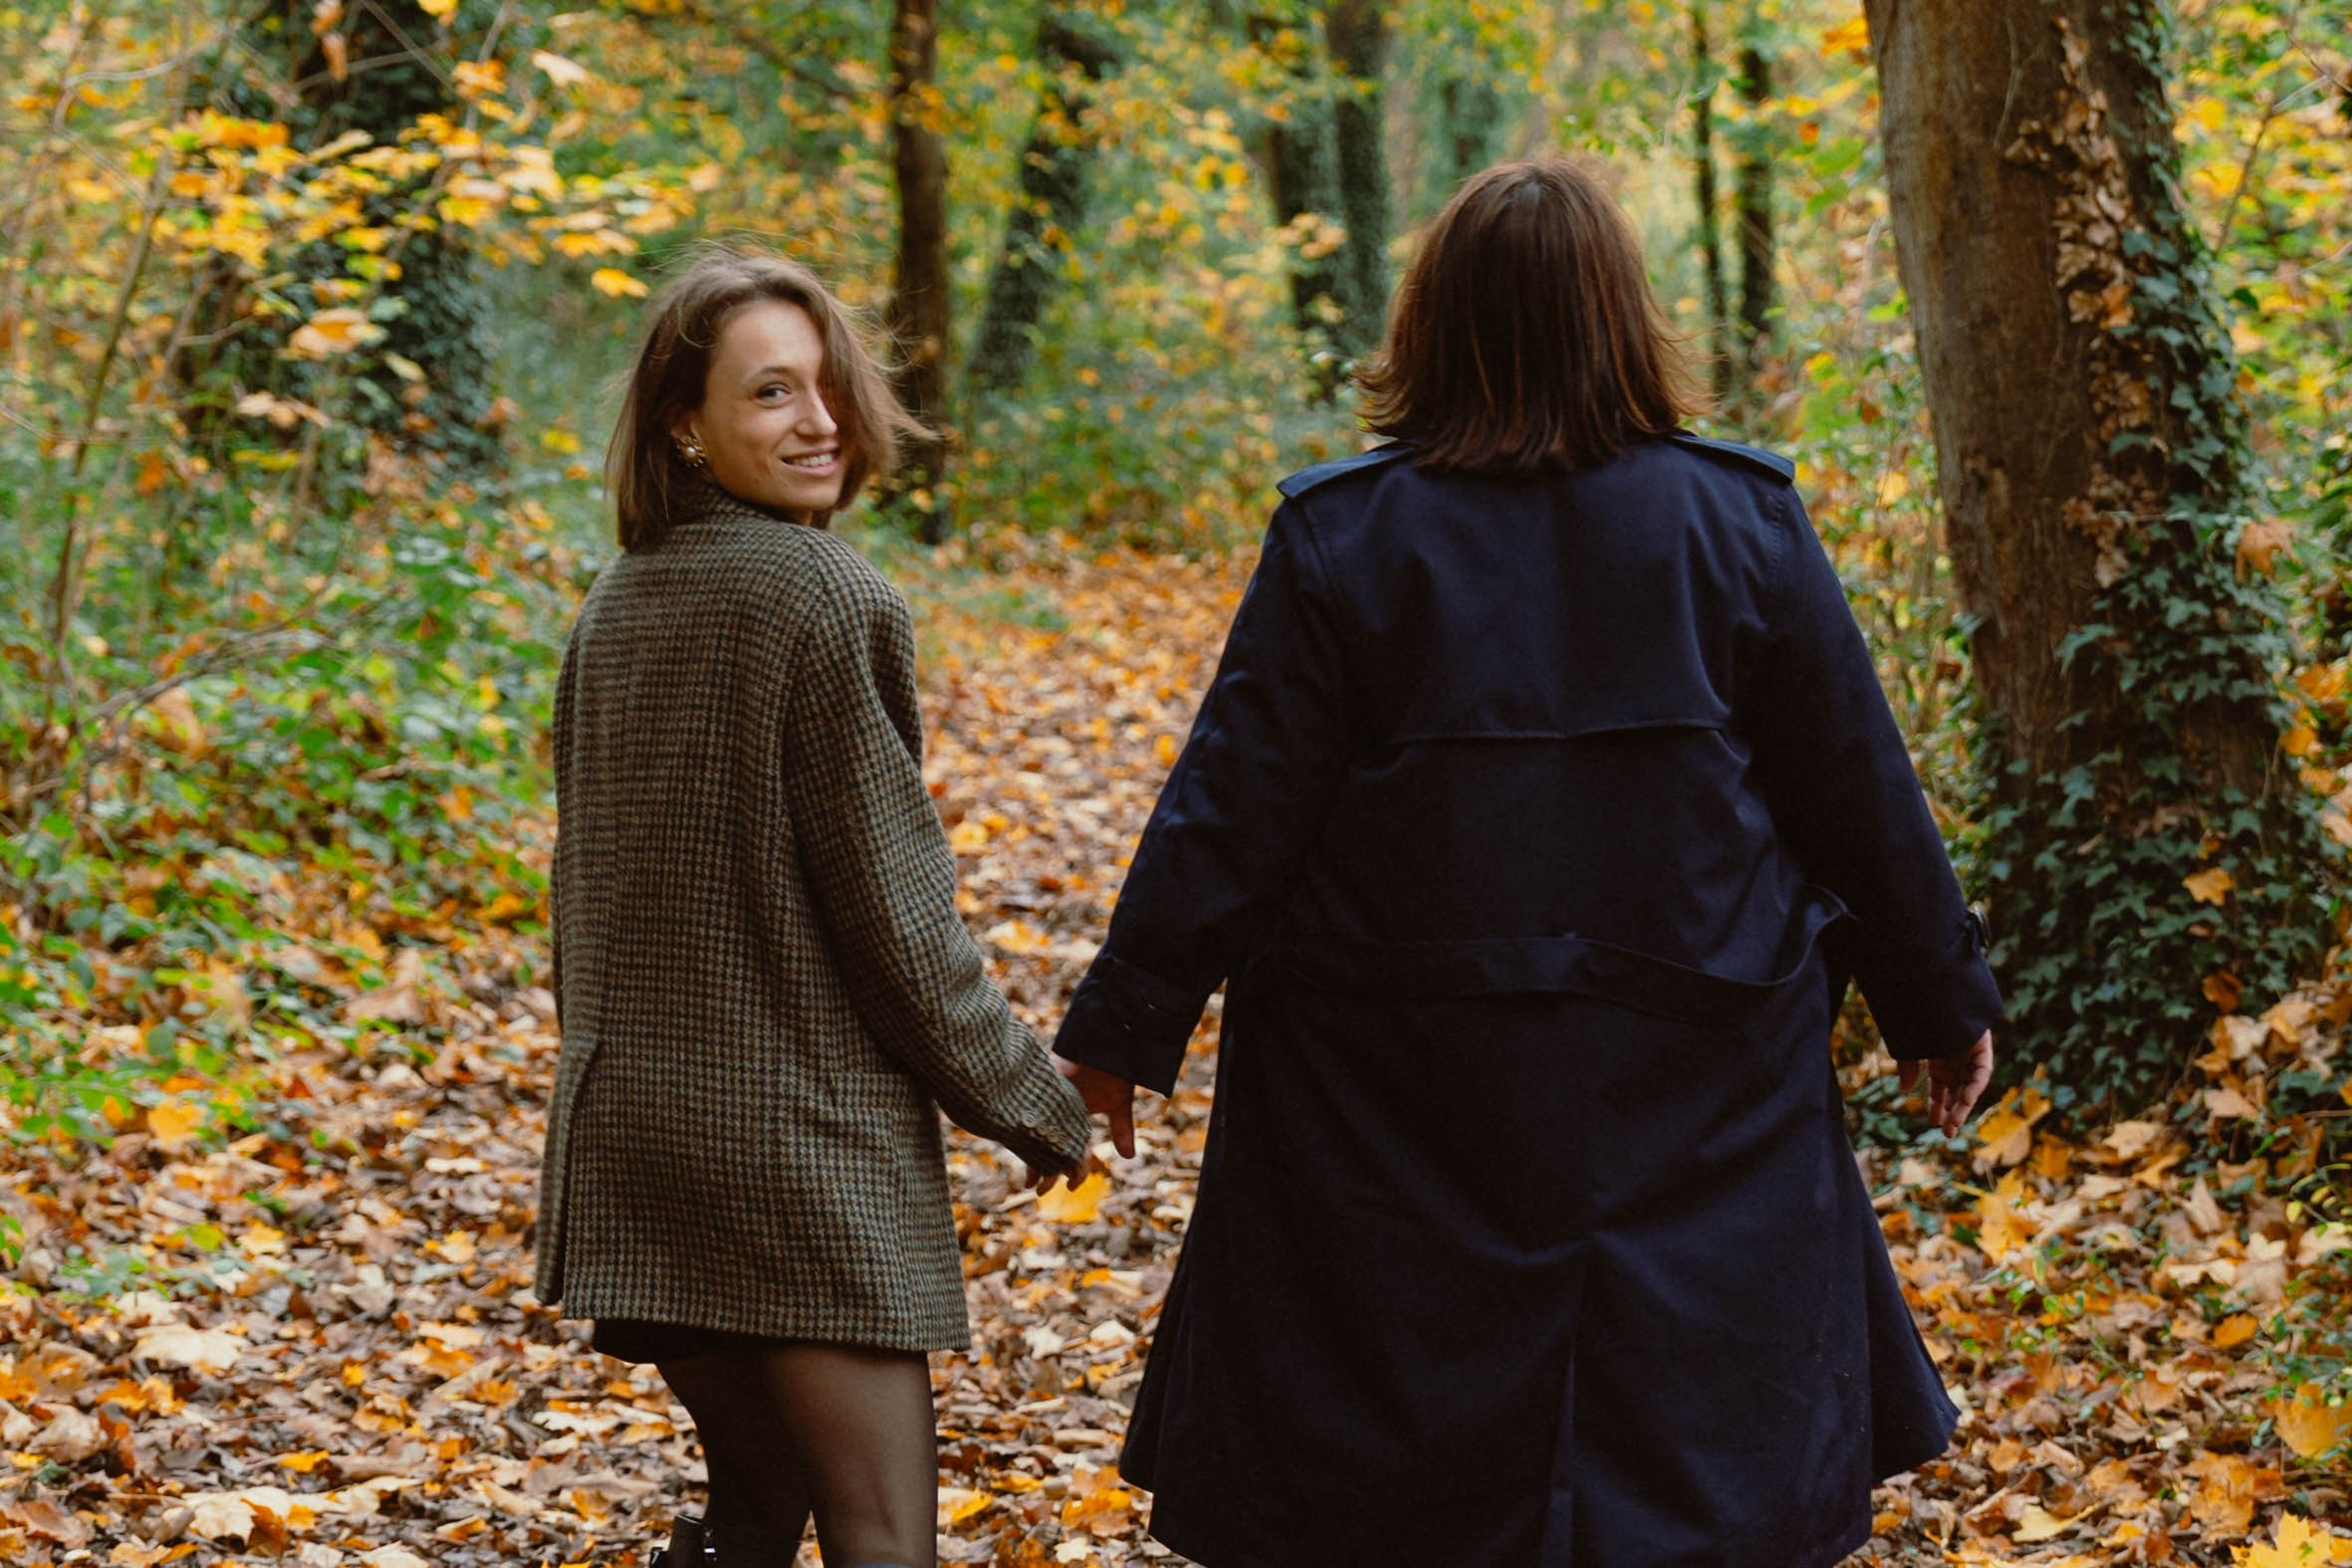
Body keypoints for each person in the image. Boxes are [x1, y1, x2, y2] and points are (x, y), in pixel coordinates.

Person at [1050, 157, 2001, 1568]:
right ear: (1621, 319)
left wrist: (1126, 1029)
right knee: (1680, 1425)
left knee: (1405, 1432)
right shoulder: (1740, 523)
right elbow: (1851, 790)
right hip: (1688, 1070)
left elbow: (1231, 816)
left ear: (1431, 322)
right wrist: (1938, 997)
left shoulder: (1342, 535)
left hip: (1393, 1086)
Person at [533, 248, 1093, 1568]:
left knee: (748, 1516)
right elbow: (897, 920)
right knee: (882, 1536)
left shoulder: (613, 603)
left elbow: (582, 899)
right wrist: (1031, 1103)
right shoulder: (827, 598)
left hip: (637, 1147)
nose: (821, 420)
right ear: (687, 423)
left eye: (825, 384)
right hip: (796, 1160)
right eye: (771, 393)